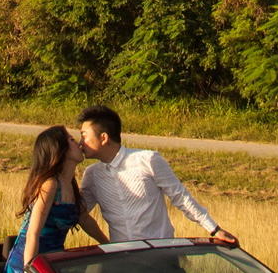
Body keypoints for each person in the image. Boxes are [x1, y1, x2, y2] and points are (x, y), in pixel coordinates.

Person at [73, 105, 235, 247]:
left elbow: (180, 197)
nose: (81, 142)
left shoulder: (147, 160)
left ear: (103, 138)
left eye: (84, 135)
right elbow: (76, 212)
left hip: (160, 254)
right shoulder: (92, 175)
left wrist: (214, 229)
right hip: (122, 260)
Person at [0, 125, 108, 273]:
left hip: (52, 262)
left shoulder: (72, 183)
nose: (78, 143)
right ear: (60, 150)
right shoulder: (50, 185)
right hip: (28, 263)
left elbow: (84, 219)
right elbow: (33, 234)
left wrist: (108, 245)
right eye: (71, 140)